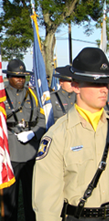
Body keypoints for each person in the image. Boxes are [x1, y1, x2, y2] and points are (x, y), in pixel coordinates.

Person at [32, 47, 109, 221]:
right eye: (96, 83)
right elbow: (46, 199)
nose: (104, 89)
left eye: (105, 83)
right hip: (79, 216)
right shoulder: (59, 134)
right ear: (76, 86)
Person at [2, 59, 46, 221]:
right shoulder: (1, 96)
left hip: (30, 152)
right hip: (10, 153)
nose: (20, 80)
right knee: (10, 197)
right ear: (9, 77)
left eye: (23, 77)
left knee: (32, 195)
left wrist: (33, 133)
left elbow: (43, 119)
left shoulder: (33, 94)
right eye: (16, 77)